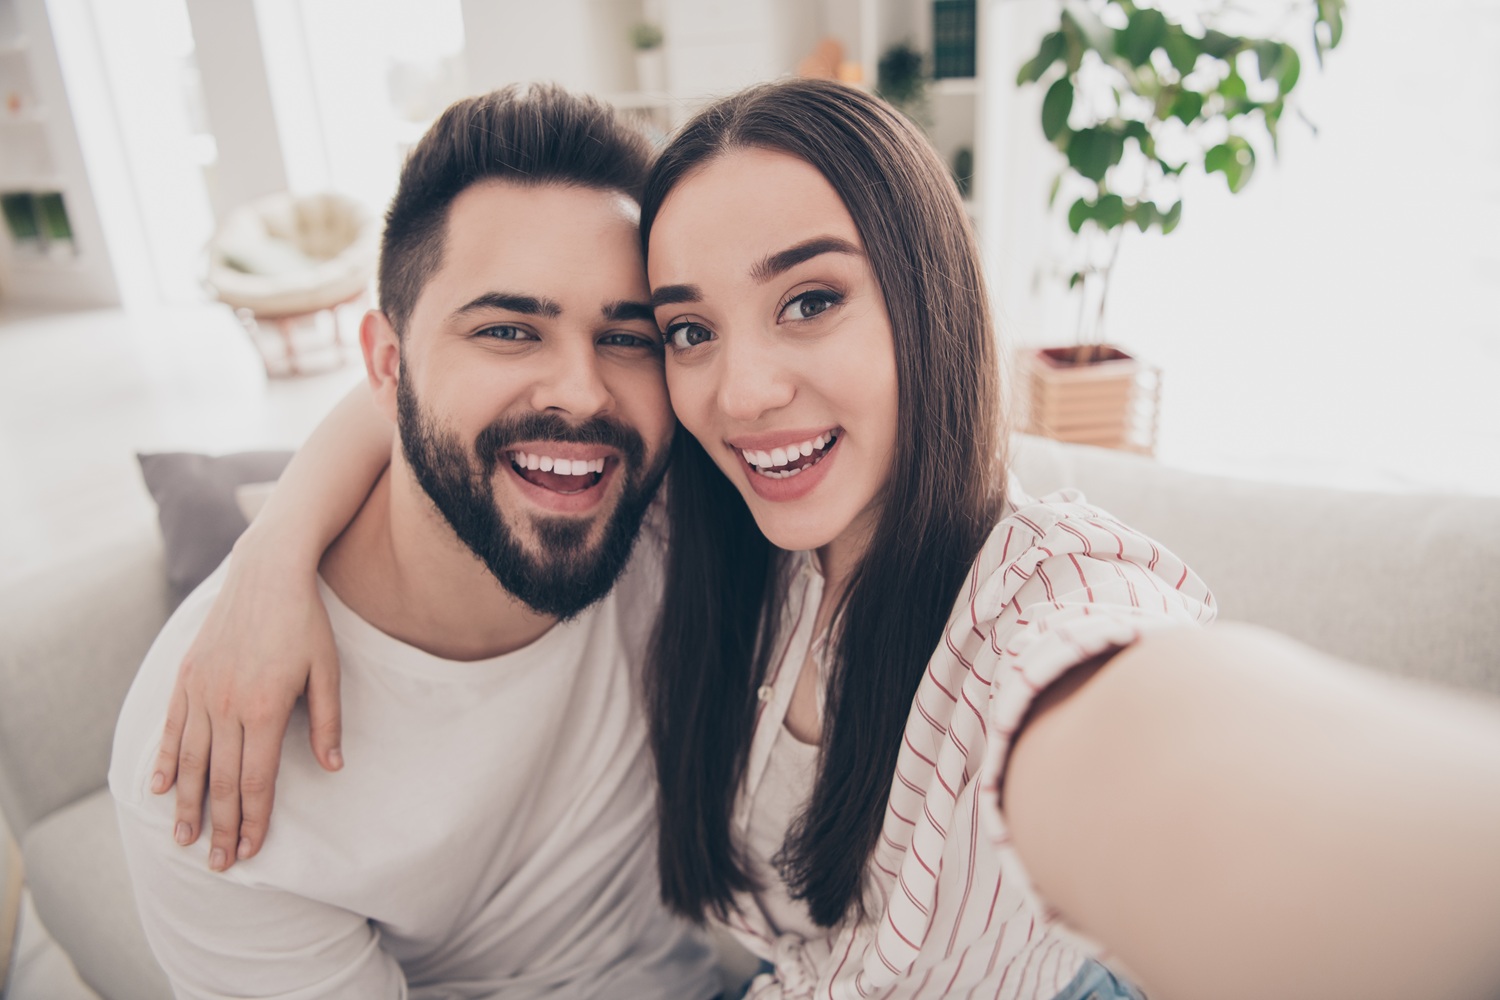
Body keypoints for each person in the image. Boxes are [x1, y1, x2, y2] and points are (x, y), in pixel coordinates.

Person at [155, 80, 1500, 1000]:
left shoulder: (1036, 607)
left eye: (809, 300)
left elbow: (1174, 751)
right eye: (688, 329)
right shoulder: (708, 524)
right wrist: (268, 562)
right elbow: (442, 390)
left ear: (927, 296)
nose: (740, 392)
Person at [109, 84, 720, 1000]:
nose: (583, 392)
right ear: (386, 363)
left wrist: (275, 540)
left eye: (626, 337)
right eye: (508, 330)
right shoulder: (209, 755)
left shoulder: (665, 504)